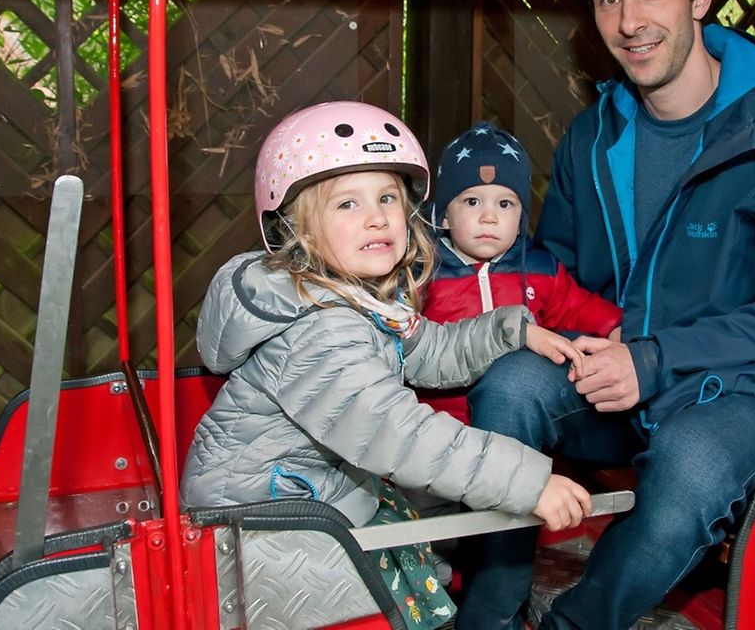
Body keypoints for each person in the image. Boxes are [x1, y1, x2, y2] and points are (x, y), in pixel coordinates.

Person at [457, 0, 755, 630]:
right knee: (510, 384)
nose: (629, 22)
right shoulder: (594, 135)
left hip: (741, 384)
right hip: (615, 368)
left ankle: (573, 623)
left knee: (690, 474)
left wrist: (655, 357)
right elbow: (564, 273)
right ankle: (487, 613)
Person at [180, 101, 593, 630]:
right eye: (347, 204)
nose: (376, 216)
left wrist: (511, 329)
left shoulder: (362, 301)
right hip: (263, 513)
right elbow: (397, 431)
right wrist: (529, 482)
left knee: (431, 531)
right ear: (298, 229)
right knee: (415, 581)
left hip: (316, 484)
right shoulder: (319, 331)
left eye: (387, 198)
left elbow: (432, 352)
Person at [424, 121, 622, 339]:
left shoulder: (541, 270)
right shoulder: (425, 275)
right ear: (443, 217)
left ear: (520, 221)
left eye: (504, 204)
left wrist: (614, 328)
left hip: (524, 371)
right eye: (472, 202)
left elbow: (576, 308)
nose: (489, 218)